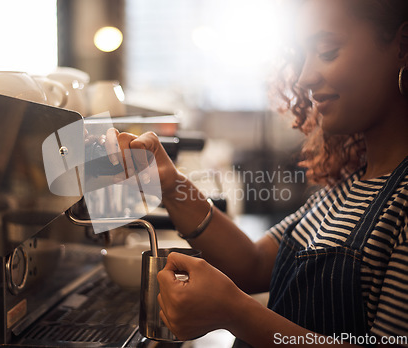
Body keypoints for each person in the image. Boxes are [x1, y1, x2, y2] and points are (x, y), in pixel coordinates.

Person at [106, 0, 408, 346]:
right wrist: (172, 185)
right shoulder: (347, 188)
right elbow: (251, 263)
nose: (305, 77)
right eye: (303, 57)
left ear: (402, 46)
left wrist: (238, 314)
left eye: (327, 51)